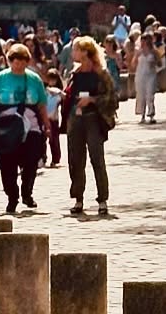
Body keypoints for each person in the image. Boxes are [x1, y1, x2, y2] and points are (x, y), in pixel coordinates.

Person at [0, 42, 49, 215]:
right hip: (7, 128)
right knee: (7, 163)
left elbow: (41, 104)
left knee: (31, 161)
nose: (17, 64)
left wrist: (46, 125)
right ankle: (12, 195)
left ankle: (27, 191)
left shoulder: (34, 79)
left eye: (21, 60)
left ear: (27, 61)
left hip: (31, 126)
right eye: (13, 60)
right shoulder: (1, 78)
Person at [63, 34, 119, 216]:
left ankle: (102, 199)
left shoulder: (101, 74)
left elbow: (112, 98)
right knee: (75, 160)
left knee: (97, 159)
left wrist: (92, 100)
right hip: (76, 119)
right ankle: (78, 199)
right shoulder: (74, 73)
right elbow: (70, 96)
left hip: (94, 119)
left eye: (76, 49)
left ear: (85, 52)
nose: (73, 52)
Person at [132, 32, 163, 124]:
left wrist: (154, 63)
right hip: (140, 75)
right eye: (142, 40)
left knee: (150, 95)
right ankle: (142, 115)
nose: (143, 42)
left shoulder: (154, 52)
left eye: (145, 40)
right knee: (141, 95)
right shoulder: (139, 52)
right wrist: (136, 57)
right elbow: (133, 64)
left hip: (150, 75)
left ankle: (151, 114)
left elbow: (160, 64)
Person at [43, 68, 64, 167]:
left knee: (54, 140)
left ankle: (56, 159)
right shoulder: (45, 91)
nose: (52, 81)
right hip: (44, 118)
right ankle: (42, 158)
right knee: (42, 140)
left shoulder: (58, 92)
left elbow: (62, 96)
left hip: (54, 119)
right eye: (50, 79)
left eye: (53, 79)